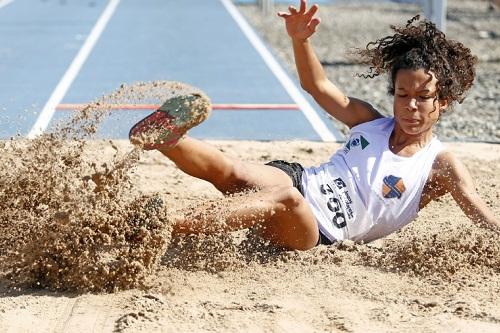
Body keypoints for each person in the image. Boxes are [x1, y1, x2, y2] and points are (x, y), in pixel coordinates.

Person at [129, 0, 499, 251]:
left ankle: (164, 224)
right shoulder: (370, 122)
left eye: (422, 97)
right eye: (402, 95)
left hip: (316, 231)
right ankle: (166, 139)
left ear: (443, 102)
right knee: (235, 172)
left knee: (287, 201)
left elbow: (475, 205)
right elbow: (318, 87)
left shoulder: (439, 163)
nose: (410, 105)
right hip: (299, 179)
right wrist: (300, 41)